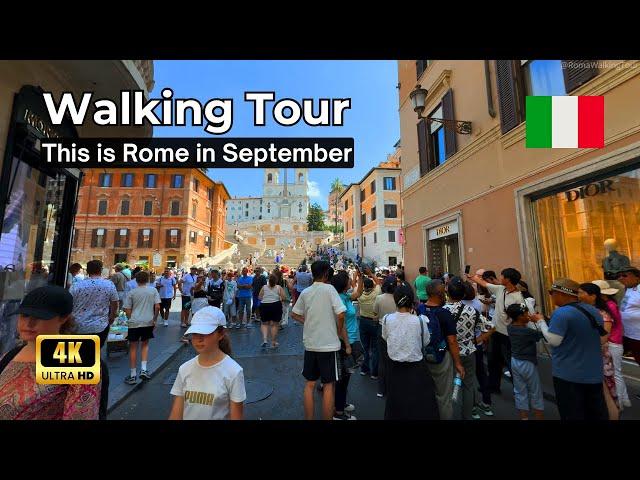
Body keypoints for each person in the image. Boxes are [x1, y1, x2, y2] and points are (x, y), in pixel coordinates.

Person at [0, 286, 101, 420]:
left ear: (64, 318)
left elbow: (81, 414)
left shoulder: (75, 359)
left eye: (40, 317)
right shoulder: (10, 354)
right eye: (24, 315)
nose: (29, 323)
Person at [540, 278, 608, 420]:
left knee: (572, 413)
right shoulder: (594, 311)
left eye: (552, 292)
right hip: (593, 373)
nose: (551, 296)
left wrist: (541, 322)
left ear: (562, 293)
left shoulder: (561, 313)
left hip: (568, 374)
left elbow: (554, 341)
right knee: (595, 413)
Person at [290, 261, 347, 420]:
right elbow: (341, 314)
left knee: (309, 385)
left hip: (311, 344)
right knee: (329, 386)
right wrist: (337, 330)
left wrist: (306, 321)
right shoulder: (330, 289)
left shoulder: (306, 292)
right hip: (329, 345)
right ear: (326, 274)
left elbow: (294, 314)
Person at [169, 307, 246, 420]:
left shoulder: (234, 371)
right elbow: (176, 414)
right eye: (195, 333)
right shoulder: (185, 369)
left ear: (221, 334)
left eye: (205, 333)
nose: (198, 339)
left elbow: (236, 416)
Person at [380, 284, 439, 420]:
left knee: (396, 402)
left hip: (394, 367)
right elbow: (426, 341)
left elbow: (385, 337)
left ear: (395, 300)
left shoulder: (387, 319)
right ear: (412, 300)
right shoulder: (419, 320)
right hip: (416, 368)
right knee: (418, 404)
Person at [70, 259, 118, 420]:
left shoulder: (77, 285)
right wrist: (111, 317)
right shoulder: (108, 285)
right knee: (95, 354)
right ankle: (91, 383)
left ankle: (79, 383)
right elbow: (115, 302)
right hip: (99, 326)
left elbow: (70, 304)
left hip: (78, 326)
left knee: (78, 354)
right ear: (101, 269)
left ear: (87, 270)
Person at [444, 277, 494, 420]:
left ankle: (448, 414)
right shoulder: (472, 311)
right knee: (468, 385)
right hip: (468, 351)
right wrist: (476, 339)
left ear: (448, 292)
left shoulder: (442, 311)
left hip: (449, 353)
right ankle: (467, 415)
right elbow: (491, 327)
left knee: (447, 386)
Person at [469, 268, 525, 395]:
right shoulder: (500, 289)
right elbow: (484, 284)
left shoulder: (518, 298)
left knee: (511, 362)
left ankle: (520, 390)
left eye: (502, 276)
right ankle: (493, 386)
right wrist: (472, 277)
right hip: (495, 332)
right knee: (493, 360)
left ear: (508, 279)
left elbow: (522, 317)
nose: (500, 277)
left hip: (509, 334)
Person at [416, 279, 465, 420]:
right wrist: (458, 363)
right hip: (442, 357)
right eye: (443, 292)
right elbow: (452, 340)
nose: (445, 295)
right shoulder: (444, 313)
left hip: (423, 355)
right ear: (439, 295)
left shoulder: (419, 309)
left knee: (427, 392)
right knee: (444, 396)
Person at [578, 282, 620, 419]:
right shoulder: (581, 310)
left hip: (600, 356)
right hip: (587, 355)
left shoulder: (603, 314)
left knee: (606, 388)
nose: (578, 295)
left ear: (593, 296)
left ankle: (612, 414)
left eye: (581, 292)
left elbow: (604, 338)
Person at [590, 279, 630, 409]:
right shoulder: (611, 304)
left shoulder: (607, 307)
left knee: (614, 373)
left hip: (612, 342)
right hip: (615, 342)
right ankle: (624, 400)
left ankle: (619, 402)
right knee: (616, 372)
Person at [330, 269, 364, 420]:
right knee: (343, 377)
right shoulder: (339, 299)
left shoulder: (344, 296)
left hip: (350, 339)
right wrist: (348, 344)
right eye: (349, 280)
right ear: (344, 285)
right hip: (345, 341)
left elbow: (358, 294)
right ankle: (338, 412)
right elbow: (340, 324)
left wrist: (361, 278)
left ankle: (340, 404)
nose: (351, 281)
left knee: (346, 376)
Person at [506, 303, 545, 420]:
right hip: (527, 362)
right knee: (535, 391)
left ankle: (524, 418)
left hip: (514, 361)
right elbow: (542, 334)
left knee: (519, 391)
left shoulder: (510, 327)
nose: (528, 315)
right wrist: (540, 321)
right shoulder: (527, 332)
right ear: (519, 317)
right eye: (525, 314)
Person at [123, 271, 161, 384]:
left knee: (133, 347)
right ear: (148, 279)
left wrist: (131, 318)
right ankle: (144, 370)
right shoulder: (153, 290)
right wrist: (154, 319)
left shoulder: (132, 292)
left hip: (134, 321)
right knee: (145, 345)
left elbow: (127, 309)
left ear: (136, 280)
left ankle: (133, 374)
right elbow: (158, 306)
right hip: (148, 321)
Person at [358, 277, 382, 379]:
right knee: (375, 348)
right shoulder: (376, 294)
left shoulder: (359, 295)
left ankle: (364, 369)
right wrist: (371, 274)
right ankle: (374, 372)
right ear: (372, 287)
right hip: (373, 322)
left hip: (363, 321)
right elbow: (378, 282)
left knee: (365, 347)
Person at [617, 266, 640, 368]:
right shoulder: (628, 288)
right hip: (628, 333)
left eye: (624, 276)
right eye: (619, 276)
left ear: (637, 278)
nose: (620, 278)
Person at [259, 274, 286, 349]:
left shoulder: (264, 287)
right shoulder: (278, 287)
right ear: (276, 281)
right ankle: (273, 342)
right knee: (274, 324)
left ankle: (265, 340)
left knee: (264, 323)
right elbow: (284, 297)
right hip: (275, 305)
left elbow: (260, 297)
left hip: (264, 305)